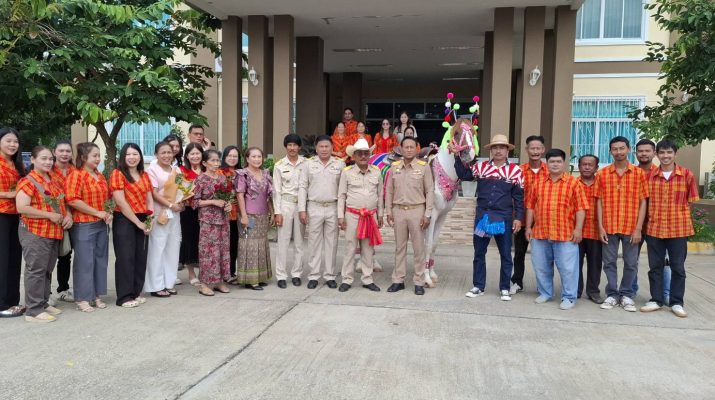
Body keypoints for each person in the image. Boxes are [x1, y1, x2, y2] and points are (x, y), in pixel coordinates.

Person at [452, 134, 524, 301]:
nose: (498, 151)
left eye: (502, 147)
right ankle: (478, 286)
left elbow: (519, 198)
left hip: (503, 218)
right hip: (483, 218)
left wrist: (518, 218)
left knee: (505, 254)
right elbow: (464, 174)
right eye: (495, 147)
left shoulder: (516, 171)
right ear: (491, 150)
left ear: (507, 150)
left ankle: (505, 287)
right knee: (479, 252)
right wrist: (457, 156)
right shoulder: (481, 167)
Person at [640, 140, 698, 318]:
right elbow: (644, 202)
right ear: (656, 154)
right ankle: (656, 300)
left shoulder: (687, 175)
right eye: (662, 153)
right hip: (654, 228)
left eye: (669, 152)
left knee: (678, 267)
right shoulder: (649, 176)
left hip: (678, 229)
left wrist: (681, 217)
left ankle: (676, 302)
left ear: (675, 154)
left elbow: (691, 201)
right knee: (655, 267)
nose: (666, 156)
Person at [525, 148, 588, 310]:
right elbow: (530, 206)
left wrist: (578, 229)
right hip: (540, 232)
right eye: (552, 161)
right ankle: (545, 293)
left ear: (564, 163)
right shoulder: (538, 183)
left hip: (565, 233)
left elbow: (581, 208)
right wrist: (528, 227)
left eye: (558, 161)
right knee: (541, 266)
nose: (555, 164)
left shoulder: (573, 183)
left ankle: (569, 297)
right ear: (546, 163)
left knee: (568, 269)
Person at [16, 146, 72, 322]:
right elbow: (22, 207)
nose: (48, 162)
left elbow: (62, 202)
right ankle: (33, 310)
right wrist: (49, 215)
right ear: (33, 160)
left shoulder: (53, 180)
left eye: (50, 159)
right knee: (36, 270)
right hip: (35, 231)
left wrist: (67, 215)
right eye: (43, 158)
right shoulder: (28, 181)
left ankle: (43, 302)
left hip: (53, 231)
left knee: (47, 270)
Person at [596, 136, 648, 312]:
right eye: (615, 149)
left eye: (622, 148)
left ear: (628, 149)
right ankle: (612, 294)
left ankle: (626, 295)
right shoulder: (602, 174)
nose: (618, 152)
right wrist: (600, 226)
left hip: (631, 227)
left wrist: (639, 228)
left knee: (631, 263)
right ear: (610, 151)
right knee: (609, 262)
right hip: (609, 226)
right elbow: (599, 201)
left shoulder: (639, 174)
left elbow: (643, 202)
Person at [65, 142, 112, 312]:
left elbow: (107, 198)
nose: (98, 159)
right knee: (85, 262)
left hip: (101, 224)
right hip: (84, 224)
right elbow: (72, 199)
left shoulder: (100, 176)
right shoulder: (76, 175)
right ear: (84, 157)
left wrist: (108, 211)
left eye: (99, 155)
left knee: (100, 260)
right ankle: (82, 298)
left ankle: (96, 295)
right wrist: (97, 212)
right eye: (94, 156)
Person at [385, 136, 434, 295]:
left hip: (417, 210)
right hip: (398, 211)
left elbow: (430, 191)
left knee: (419, 248)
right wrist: (389, 211)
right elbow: (389, 191)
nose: (409, 150)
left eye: (412, 147)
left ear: (416, 148)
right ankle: (398, 280)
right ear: (401, 149)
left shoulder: (424, 167)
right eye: (406, 147)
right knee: (399, 247)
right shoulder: (394, 167)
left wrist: (427, 214)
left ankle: (419, 281)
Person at [110, 143, 154, 308]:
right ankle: (124, 297)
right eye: (128, 154)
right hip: (125, 218)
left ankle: (136, 292)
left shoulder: (144, 174)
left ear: (140, 157)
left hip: (143, 217)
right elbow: (120, 202)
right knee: (125, 258)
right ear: (123, 157)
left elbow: (149, 199)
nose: (132, 157)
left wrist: (149, 221)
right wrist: (138, 223)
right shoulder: (118, 174)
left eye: (135, 154)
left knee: (140, 257)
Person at [337, 138, 384, 292]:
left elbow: (380, 195)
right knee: (350, 247)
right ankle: (347, 279)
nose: (363, 156)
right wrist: (340, 216)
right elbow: (341, 195)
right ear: (354, 156)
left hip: (370, 216)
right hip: (352, 215)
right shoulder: (347, 172)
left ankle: (367, 278)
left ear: (369, 155)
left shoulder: (376, 172)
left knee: (368, 248)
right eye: (360, 154)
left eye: (366, 153)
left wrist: (381, 214)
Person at [298, 136, 344, 289]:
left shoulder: (340, 164)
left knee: (332, 243)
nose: (324, 149)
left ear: (332, 148)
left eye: (327, 146)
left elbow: (343, 190)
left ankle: (330, 275)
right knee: (314, 243)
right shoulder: (308, 164)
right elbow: (303, 187)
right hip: (314, 207)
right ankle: (314, 275)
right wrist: (302, 209)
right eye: (321, 146)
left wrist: (341, 212)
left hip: (333, 207)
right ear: (316, 148)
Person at [144, 141, 184, 298]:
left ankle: (169, 282)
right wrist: (170, 205)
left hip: (174, 215)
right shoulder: (152, 170)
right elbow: (153, 193)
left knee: (173, 248)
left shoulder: (176, 170)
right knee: (157, 249)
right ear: (156, 155)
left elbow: (181, 190)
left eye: (169, 152)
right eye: (163, 152)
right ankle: (156, 285)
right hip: (160, 213)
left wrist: (180, 202)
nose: (167, 155)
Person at [191, 150, 232, 296]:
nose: (216, 163)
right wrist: (213, 201)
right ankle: (204, 284)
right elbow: (194, 202)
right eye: (213, 160)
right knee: (208, 252)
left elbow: (228, 197)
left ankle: (219, 281)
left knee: (222, 250)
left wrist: (228, 205)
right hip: (208, 221)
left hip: (223, 219)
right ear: (204, 163)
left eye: (218, 160)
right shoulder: (200, 179)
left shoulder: (222, 178)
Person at [510, 135, 547, 295]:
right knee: (519, 253)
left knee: (543, 256)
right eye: (532, 148)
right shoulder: (518, 171)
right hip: (522, 219)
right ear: (527, 150)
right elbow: (512, 195)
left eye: (538, 148)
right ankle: (517, 282)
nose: (535, 151)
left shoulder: (550, 170)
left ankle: (543, 285)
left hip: (543, 221)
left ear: (543, 150)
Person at [633, 138, 669, 299]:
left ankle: (665, 293)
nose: (643, 154)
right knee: (631, 260)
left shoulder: (662, 174)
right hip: (635, 226)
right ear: (635, 154)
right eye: (640, 151)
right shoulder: (632, 174)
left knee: (662, 262)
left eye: (647, 151)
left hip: (657, 225)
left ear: (654, 153)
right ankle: (631, 290)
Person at [235, 147, 273, 290]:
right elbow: (239, 195)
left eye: (259, 156)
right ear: (247, 158)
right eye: (254, 156)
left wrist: (272, 212)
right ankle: (250, 280)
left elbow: (268, 196)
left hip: (263, 215)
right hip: (249, 215)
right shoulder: (242, 174)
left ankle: (260, 277)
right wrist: (244, 216)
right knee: (249, 244)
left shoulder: (265, 174)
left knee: (261, 244)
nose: (257, 159)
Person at [273, 134, 307, 288]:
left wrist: (305, 209)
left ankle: (296, 274)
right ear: (286, 146)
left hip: (301, 205)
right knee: (283, 242)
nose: (292, 148)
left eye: (295, 145)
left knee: (299, 243)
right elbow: (276, 191)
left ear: (299, 147)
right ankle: (281, 275)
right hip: (285, 205)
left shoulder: (306, 163)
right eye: (289, 145)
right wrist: (277, 212)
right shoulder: (279, 165)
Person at [0, 128, 25, 318]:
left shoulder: (16, 165)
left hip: (15, 215)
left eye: (15, 141)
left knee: (14, 260)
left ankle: (12, 302)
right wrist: (11, 194)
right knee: (2, 260)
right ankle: (2, 304)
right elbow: (14, 192)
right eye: (8, 140)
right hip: (1, 214)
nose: (12, 144)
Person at [49, 140, 77, 303]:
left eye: (68, 151)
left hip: (74, 218)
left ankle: (63, 289)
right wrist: (64, 214)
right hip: (54, 217)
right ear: (54, 152)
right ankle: (45, 292)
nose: (65, 154)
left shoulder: (76, 171)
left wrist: (70, 215)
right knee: (49, 256)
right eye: (61, 151)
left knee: (66, 255)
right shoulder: (48, 170)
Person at [576, 154, 604, 304]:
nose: (587, 167)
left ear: (596, 167)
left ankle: (593, 291)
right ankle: (576, 290)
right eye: (584, 164)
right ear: (579, 167)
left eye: (590, 165)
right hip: (576, 231)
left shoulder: (602, 184)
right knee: (575, 263)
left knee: (595, 263)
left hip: (596, 231)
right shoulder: (573, 184)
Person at [179, 143, 203, 285]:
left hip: (205, 210)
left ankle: (204, 272)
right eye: (192, 154)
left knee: (203, 241)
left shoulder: (207, 169)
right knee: (189, 241)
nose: (195, 156)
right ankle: (191, 273)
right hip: (188, 211)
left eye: (197, 153)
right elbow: (177, 190)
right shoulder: (181, 171)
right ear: (187, 156)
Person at [221, 146, 241, 281]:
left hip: (239, 212)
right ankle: (223, 272)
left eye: (235, 156)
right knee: (224, 244)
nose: (232, 158)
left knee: (235, 242)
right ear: (225, 157)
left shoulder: (242, 173)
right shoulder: (219, 172)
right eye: (230, 156)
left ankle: (232, 271)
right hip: (224, 212)